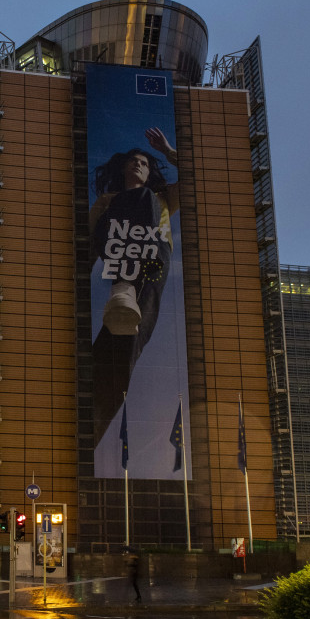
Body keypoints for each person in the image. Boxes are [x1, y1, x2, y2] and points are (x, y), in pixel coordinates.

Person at [89, 127, 179, 445]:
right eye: (134, 161)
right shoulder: (108, 200)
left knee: (128, 339)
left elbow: (201, 175)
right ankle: (123, 289)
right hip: (116, 252)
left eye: (144, 162)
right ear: (124, 167)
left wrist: (168, 150)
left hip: (153, 259)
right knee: (114, 345)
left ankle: (124, 290)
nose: (139, 164)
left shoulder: (162, 197)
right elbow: (87, 241)